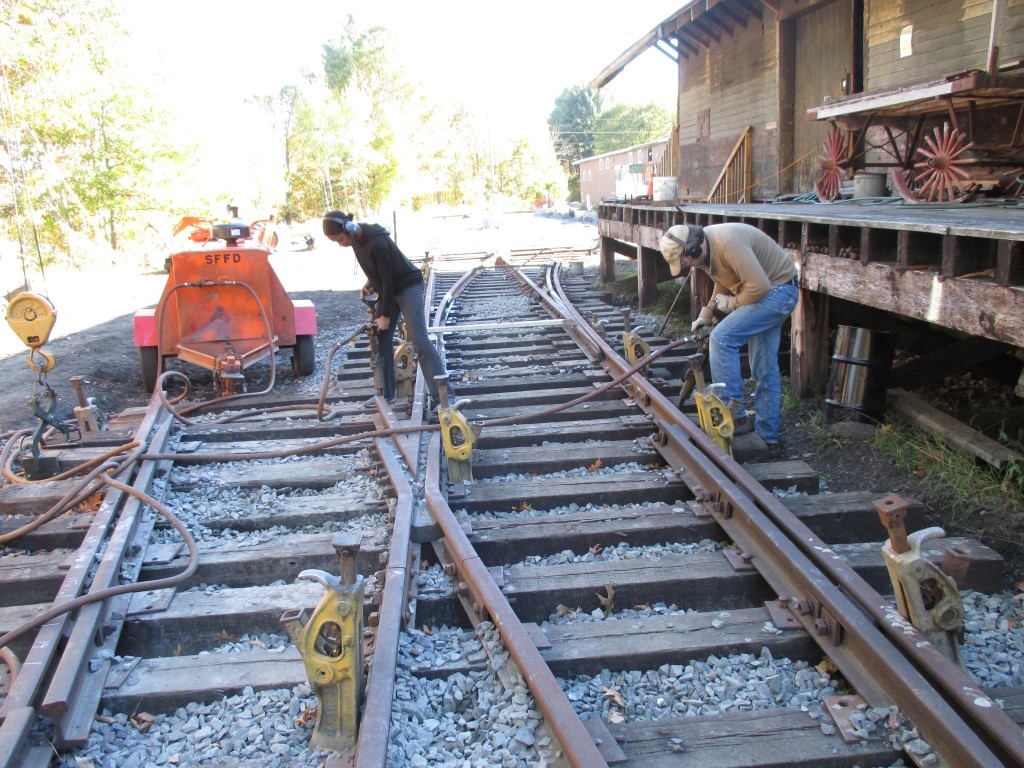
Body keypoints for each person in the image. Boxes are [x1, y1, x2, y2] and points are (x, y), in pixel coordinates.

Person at [658, 223, 799, 454]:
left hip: (778, 292)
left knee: (722, 339)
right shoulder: (707, 249)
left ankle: (736, 416)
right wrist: (709, 311)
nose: (688, 266)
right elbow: (724, 279)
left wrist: (730, 304)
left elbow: (759, 287)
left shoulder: (727, 241)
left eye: (685, 261)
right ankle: (768, 439)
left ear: (692, 249)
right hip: (773, 291)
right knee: (763, 366)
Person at [322, 211, 445, 408]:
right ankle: (387, 395)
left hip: (407, 286)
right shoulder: (356, 241)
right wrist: (370, 281)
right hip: (390, 287)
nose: (342, 244)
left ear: (349, 229)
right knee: (381, 338)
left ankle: (443, 398)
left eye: (341, 239)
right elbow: (380, 272)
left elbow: (388, 279)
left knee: (419, 341)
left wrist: (385, 315)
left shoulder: (377, 243)